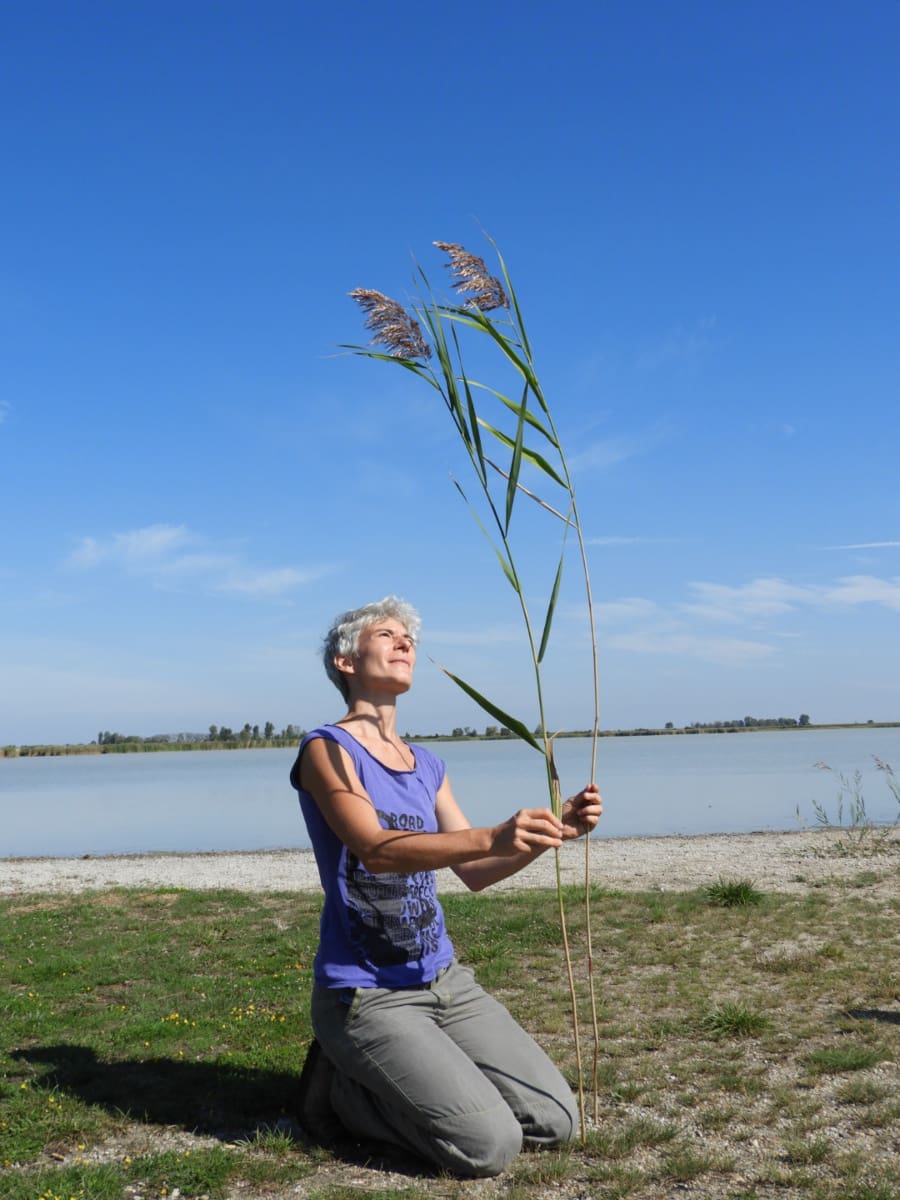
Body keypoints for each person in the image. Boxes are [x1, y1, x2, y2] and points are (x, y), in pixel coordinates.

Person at [289, 596, 602, 1177]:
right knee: (488, 1147)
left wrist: (552, 832)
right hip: (366, 995)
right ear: (346, 662)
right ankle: (339, 1092)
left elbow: (476, 871)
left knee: (556, 1120)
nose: (405, 643)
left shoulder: (426, 764)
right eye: (387, 635)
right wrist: (493, 835)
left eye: (409, 637)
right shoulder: (326, 750)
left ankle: (410, 1076)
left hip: (445, 981)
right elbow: (375, 849)